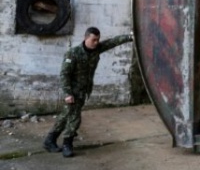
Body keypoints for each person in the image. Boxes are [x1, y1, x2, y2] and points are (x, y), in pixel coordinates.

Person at [43, 27, 134, 158]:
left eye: (98, 40)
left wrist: (130, 37)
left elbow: (113, 42)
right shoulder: (73, 53)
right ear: (86, 38)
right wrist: (67, 93)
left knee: (66, 115)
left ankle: (49, 140)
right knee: (75, 118)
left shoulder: (97, 49)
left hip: (83, 91)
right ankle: (67, 145)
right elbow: (64, 75)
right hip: (73, 91)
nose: (96, 42)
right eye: (93, 40)